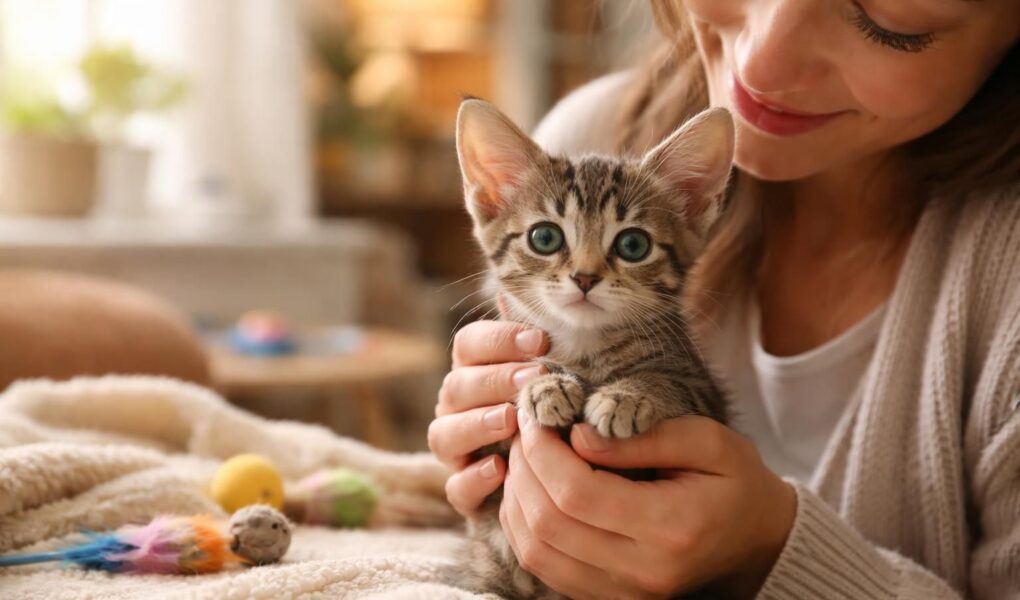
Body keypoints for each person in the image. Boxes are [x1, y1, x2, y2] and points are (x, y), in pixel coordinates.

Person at [428, 0, 1020, 597]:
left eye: (888, 18)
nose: (761, 64)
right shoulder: (591, 131)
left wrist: (766, 554)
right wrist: (482, 459)